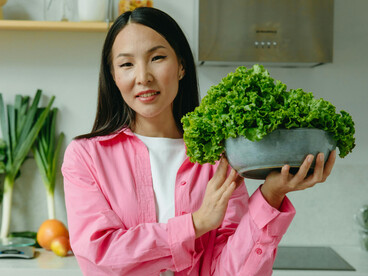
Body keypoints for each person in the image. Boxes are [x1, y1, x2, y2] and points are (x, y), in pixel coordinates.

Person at [61, 7, 336, 276]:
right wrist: (197, 223)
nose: (143, 77)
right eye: (126, 64)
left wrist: (271, 196)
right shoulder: (86, 157)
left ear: (181, 65)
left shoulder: (220, 157)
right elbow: (100, 256)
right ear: (113, 76)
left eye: (157, 58)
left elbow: (230, 271)